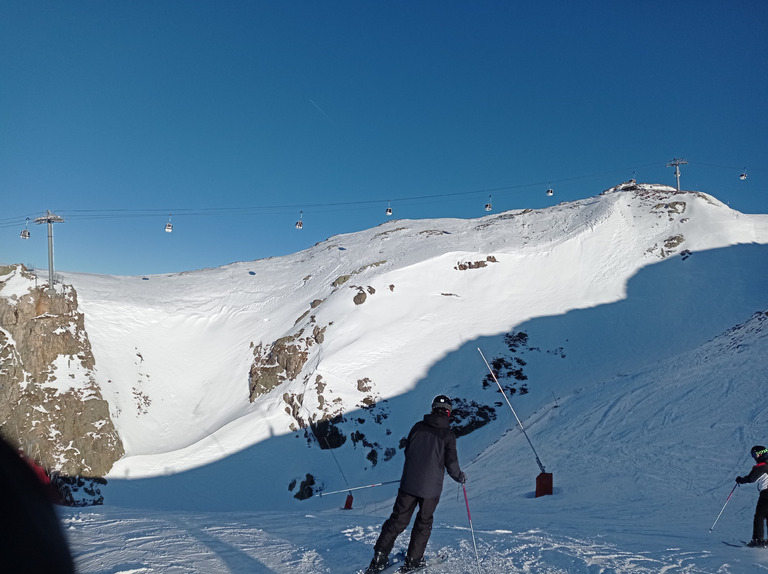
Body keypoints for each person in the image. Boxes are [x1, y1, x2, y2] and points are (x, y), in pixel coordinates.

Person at [365, 395, 466, 573]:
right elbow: (451, 465)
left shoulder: (417, 428)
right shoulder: (448, 435)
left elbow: (409, 451)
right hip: (431, 490)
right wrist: (460, 477)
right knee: (423, 523)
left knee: (397, 521)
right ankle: (413, 560)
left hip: (408, 485)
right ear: (448, 412)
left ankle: (379, 558)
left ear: (432, 409)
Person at [735, 445, 768, 547]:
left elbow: (751, 479)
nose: (754, 457)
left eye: (754, 454)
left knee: (759, 516)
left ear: (760, 454)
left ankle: (757, 540)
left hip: (766, 494)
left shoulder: (761, 466)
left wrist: (740, 480)